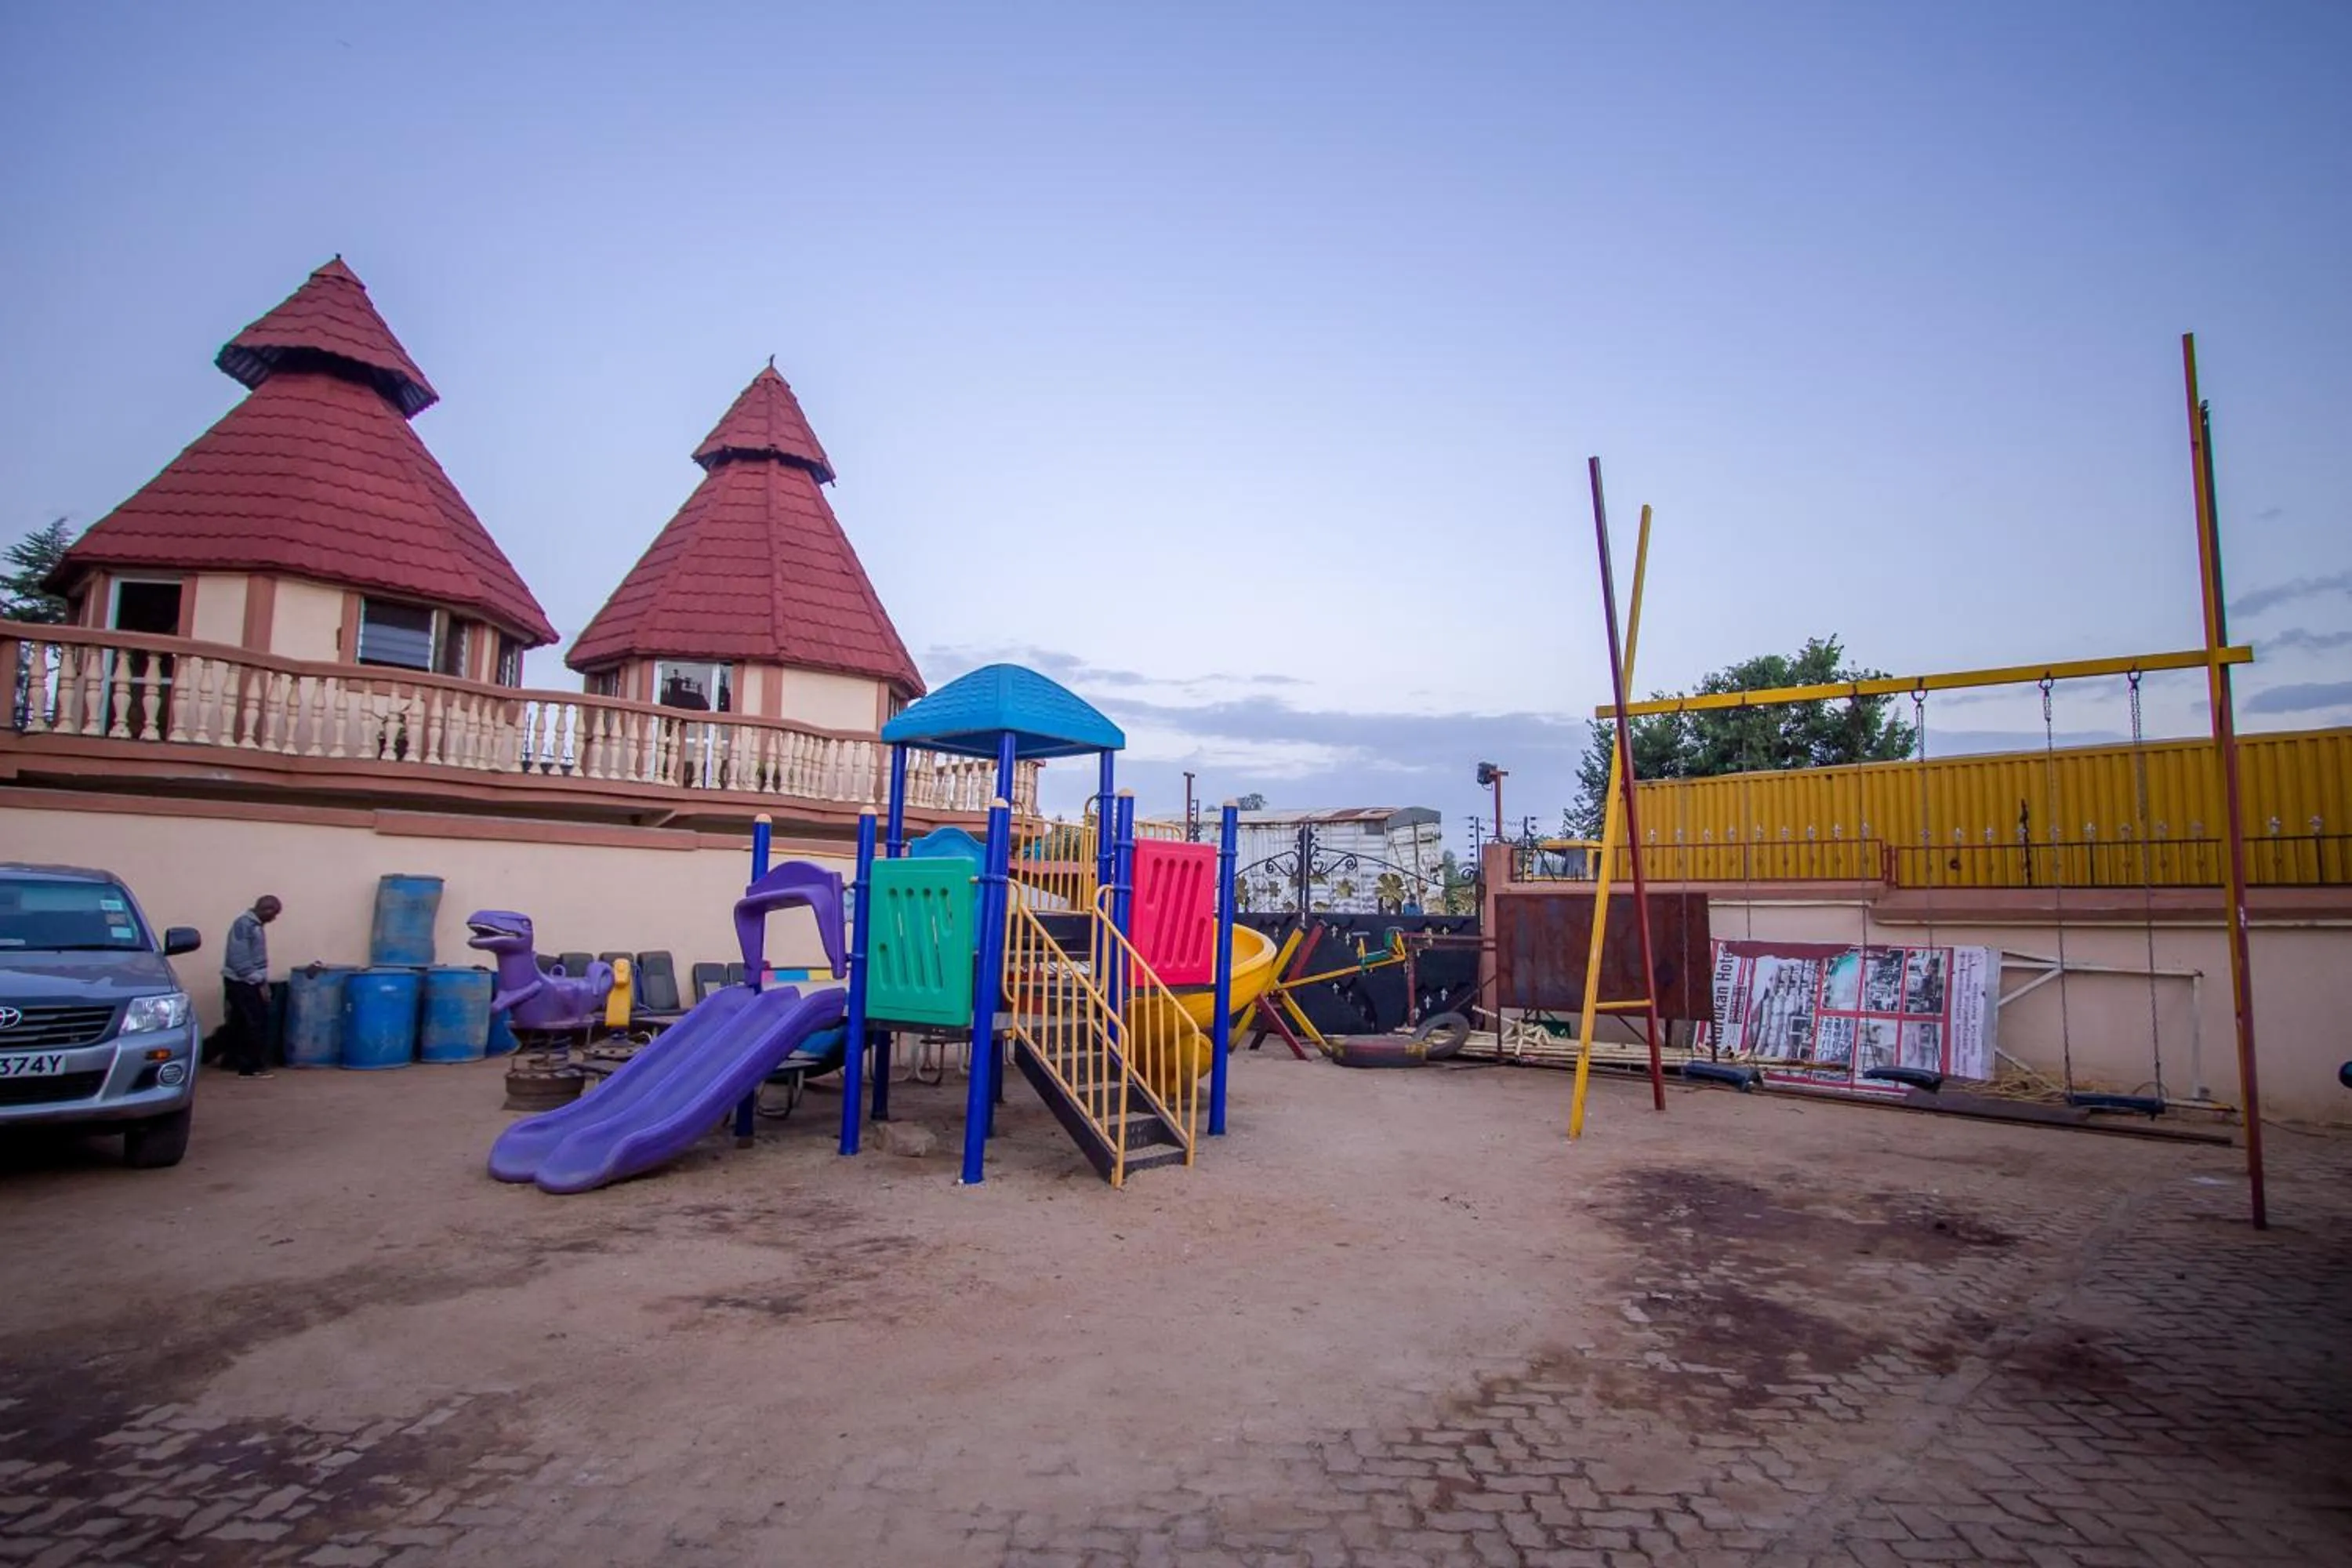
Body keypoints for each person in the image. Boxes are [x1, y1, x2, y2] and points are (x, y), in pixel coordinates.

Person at [221, 895, 283, 1079]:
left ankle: (232, 1059)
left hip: (247, 980)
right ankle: (251, 1067)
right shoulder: (245, 925)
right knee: (253, 1023)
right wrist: (254, 978)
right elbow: (238, 955)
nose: (274, 918)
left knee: (239, 1023)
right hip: (243, 981)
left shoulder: (253, 926)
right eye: (275, 914)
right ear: (267, 910)